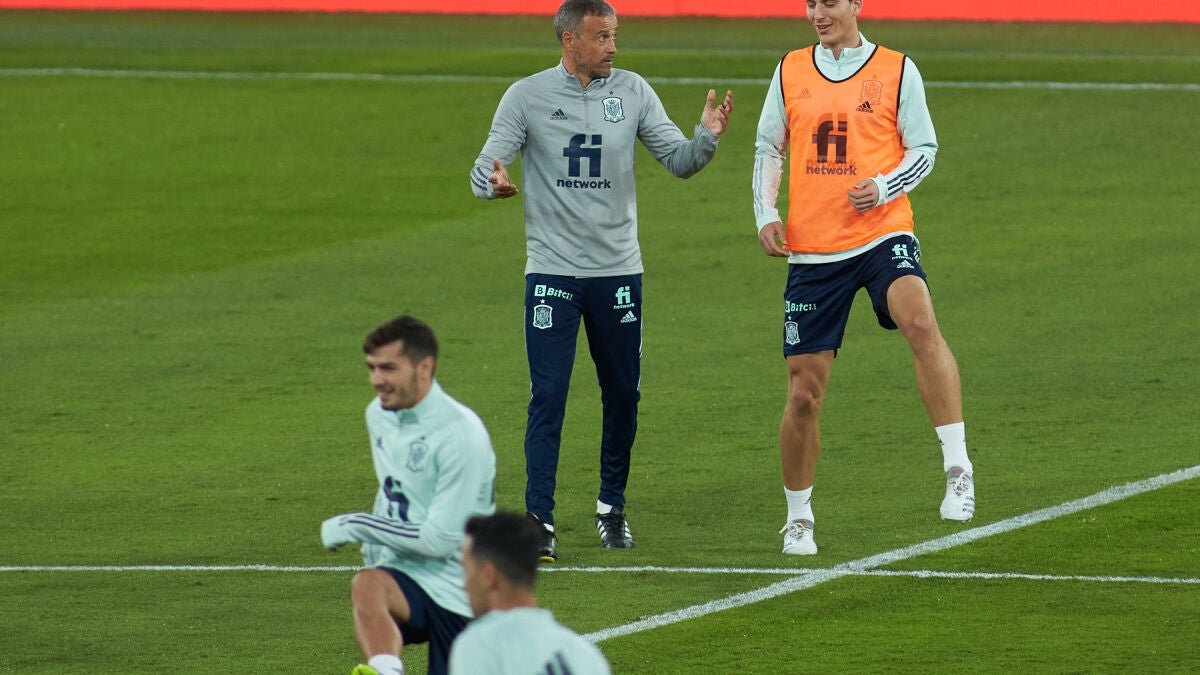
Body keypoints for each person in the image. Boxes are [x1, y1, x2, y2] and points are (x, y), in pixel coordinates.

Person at [470, 0, 733, 561]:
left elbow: (679, 160)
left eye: (614, 35)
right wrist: (492, 182)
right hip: (552, 270)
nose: (613, 46)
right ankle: (539, 520)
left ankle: (611, 508)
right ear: (569, 40)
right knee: (548, 395)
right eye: (602, 37)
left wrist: (706, 138)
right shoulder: (526, 96)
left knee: (622, 393)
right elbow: (485, 164)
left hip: (617, 272)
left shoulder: (633, 91)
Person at [752, 0, 975, 556]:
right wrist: (766, 213)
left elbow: (924, 149)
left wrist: (883, 187)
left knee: (918, 320)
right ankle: (798, 518)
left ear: (855, 4)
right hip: (813, 250)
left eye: (829, 2)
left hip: (882, 232)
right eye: (811, 3)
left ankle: (958, 469)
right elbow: (768, 146)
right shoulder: (789, 69)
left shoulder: (897, 69)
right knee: (804, 395)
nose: (818, 13)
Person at [321, 315, 497, 675]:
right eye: (371, 368)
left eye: (388, 368)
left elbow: (440, 540)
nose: (376, 380)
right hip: (410, 575)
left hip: (464, 592)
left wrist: (358, 525)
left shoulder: (460, 435)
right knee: (368, 585)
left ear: (424, 368)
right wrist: (376, 552)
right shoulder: (379, 415)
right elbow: (393, 486)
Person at [448, 512, 613, 675]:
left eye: (466, 571)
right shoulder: (585, 655)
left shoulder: (477, 647)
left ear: (488, 576)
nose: (464, 585)